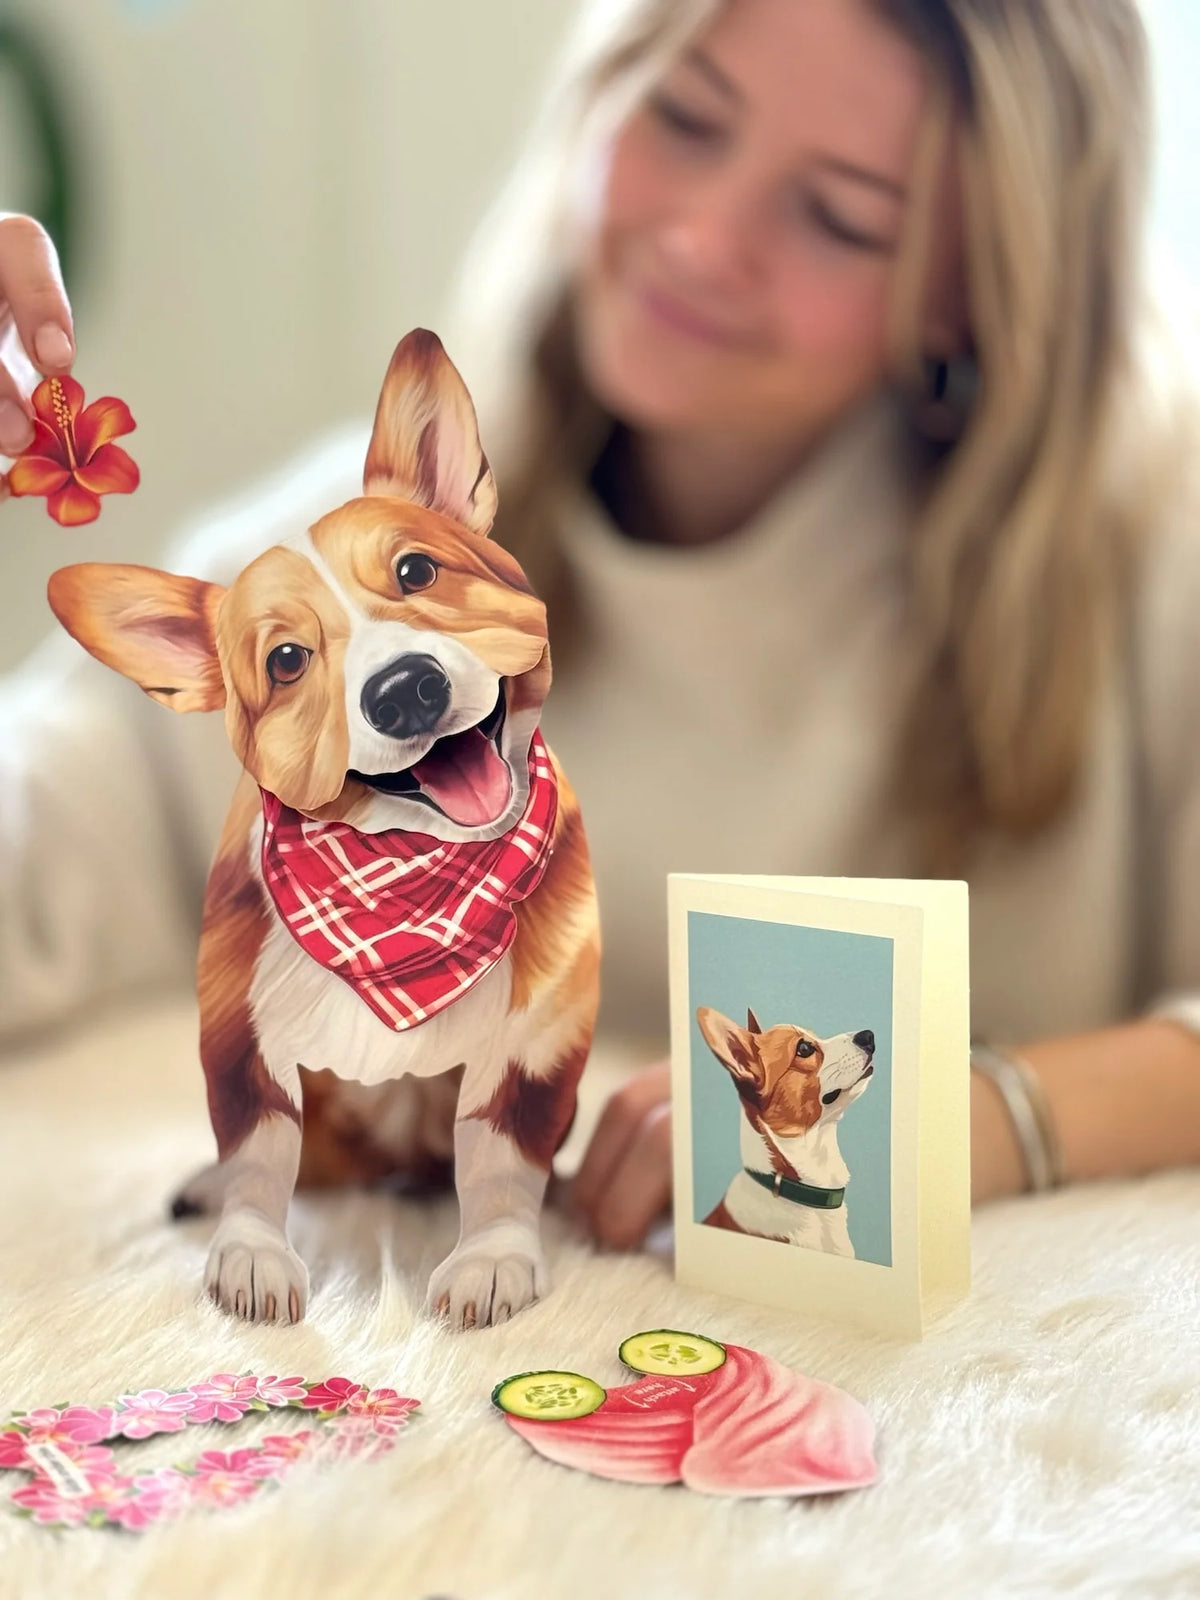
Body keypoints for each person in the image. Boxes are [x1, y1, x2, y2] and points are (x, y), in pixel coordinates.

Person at [2, 0, 1199, 1253]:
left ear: (975, 292)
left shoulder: (1159, 554)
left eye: (841, 217)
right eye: (684, 120)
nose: (700, 237)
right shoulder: (353, 566)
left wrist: (979, 1115)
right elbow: (41, 826)